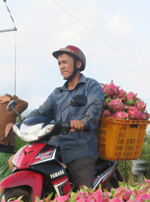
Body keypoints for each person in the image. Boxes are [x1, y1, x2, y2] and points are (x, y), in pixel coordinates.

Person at [26, 45, 104, 190]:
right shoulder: (58, 93)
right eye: (59, 63)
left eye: (65, 62)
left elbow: (94, 109)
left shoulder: (91, 86)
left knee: (85, 195)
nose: (61, 66)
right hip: (55, 145)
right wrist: (21, 123)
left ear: (78, 64)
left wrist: (83, 122)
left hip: (80, 148)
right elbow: (40, 112)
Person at [0, 93, 28, 180]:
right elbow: (24, 104)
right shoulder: (10, 111)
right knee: (6, 179)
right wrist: (10, 99)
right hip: (5, 149)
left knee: (4, 176)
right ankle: (2, 194)